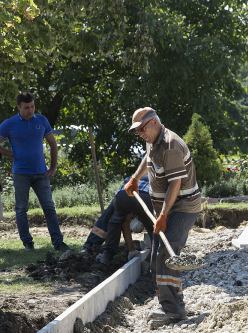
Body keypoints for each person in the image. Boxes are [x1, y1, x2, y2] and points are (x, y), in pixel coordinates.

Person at [124, 107, 201, 327]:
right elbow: (148, 158)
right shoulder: (153, 140)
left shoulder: (170, 146)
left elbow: (175, 184)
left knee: (167, 258)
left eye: (141, 129)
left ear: (154, 123)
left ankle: (172, 311)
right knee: (157, 257)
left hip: (182, 207)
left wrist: (164, 215)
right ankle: (173, 304)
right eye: (137, 131)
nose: (140, 134)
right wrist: (135, 178)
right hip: (168, 209)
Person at [0, 92, 70, 252]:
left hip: (41, 173)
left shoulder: (42, 120)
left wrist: (52, 168)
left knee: (49, 207)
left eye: (32, 106)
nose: (30, 110)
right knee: (21, 209)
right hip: (20, 173)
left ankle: (58, 242)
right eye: (26, 108)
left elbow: (53, 144)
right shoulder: (9, 124)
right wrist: (11, 154)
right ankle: (28, 243)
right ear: (18, 107)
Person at [79, 175, 154, 265]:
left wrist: (132, 251)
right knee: (154, 231)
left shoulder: (134, 177)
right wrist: (147, 261)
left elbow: (116, 204)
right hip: (147, 197)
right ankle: (151, 261)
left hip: (124, 194)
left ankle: (107, 255)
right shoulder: (159, 179)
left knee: (115, 221)